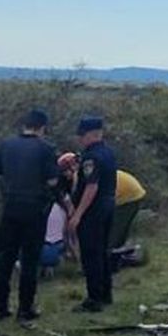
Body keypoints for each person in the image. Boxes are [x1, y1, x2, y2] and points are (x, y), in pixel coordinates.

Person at [0, 109, 60, 322]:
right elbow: (52, 181)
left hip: (10, 207)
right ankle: (25, 309)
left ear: (24, 125)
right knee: (30, 260)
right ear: (42, 127)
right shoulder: (46, 148)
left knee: (5, 259)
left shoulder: (6, 145)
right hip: (34, 210)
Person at [69, 116, 118, 312]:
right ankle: (106, 294)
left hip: (93, 210)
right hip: (108, 205)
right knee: (103, 251)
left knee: (91, 254)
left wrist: (78, 214)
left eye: (81, 135)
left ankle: (94, 299)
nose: (80, 139)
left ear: (90, 134)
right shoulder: (108, 152)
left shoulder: (91, 157)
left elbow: (91, 187)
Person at [111, 168, 147, 250]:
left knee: (115, 228)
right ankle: (119, 251)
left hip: (129, 196)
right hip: (131, 192)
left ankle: (109, 254)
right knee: (121, 228)